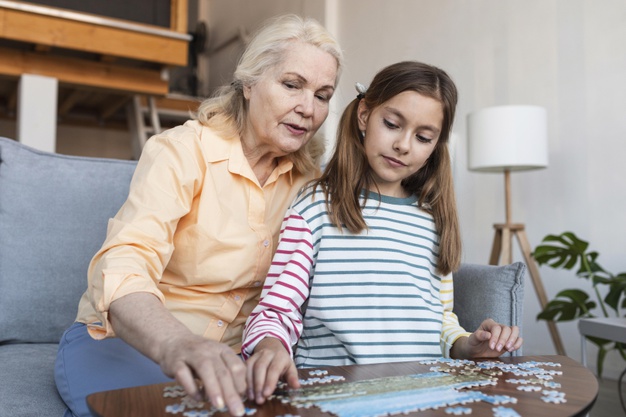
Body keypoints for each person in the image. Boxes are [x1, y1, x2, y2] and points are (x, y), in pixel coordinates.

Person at [54, 14, 343, 417]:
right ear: (249, 84)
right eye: (292, 85)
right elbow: (124, 264)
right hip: (134, 341)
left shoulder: (310, 184)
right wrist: (178, 343)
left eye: (323, 95)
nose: (307, 108)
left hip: (231, 359)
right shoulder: (182, 151)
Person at [241, 61, 524, 404]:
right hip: (332, 399)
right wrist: (270, 345)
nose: (404, 145)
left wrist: (468, 344)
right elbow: (277, 309)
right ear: (364, 115)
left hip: (424, 398)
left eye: (423, 137)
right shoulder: (315, 207)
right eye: (391, 124)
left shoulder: (433, 220)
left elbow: (439, 320)